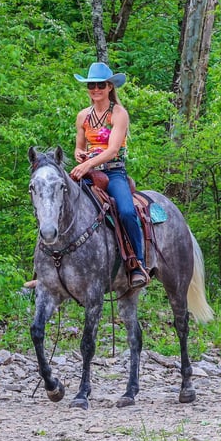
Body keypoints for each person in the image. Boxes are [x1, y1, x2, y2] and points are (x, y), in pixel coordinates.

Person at [69, 62, 149, 288]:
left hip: (113, 173)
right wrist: (80, 155)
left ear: (109, 87)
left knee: (125, 211)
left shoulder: (118, 114)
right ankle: (48, 267)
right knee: (56, 197)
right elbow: (78, 146)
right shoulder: (83, 116)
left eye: (100, 85)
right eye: (91, 85)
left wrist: (87, 165)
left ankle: (137, 263)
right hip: (89, 171)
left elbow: (113, 150)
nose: (95, 89)